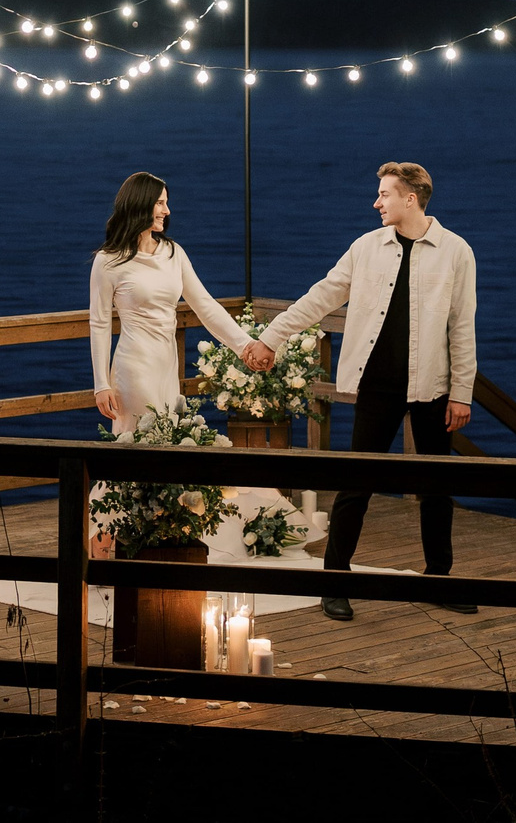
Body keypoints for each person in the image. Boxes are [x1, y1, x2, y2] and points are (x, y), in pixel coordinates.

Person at [246, 161, 477, 619]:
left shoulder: (456, 252)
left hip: (433, 388)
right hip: (376, 386)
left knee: (437, 488)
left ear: (410, 198)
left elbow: (462, 325)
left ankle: (438, 578)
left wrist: (462, 392)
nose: (376, 203)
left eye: (385, 194)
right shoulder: (365, 247)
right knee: (356, 487)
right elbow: (320, 297)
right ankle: (335, 582)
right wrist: (272, 336)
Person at [89, 171, 256, 439]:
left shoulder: (173, 253)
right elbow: (99, 323)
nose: (166, 211)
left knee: (168, 437)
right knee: (144, 439)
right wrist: (101, 384)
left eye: (166, 203)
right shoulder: (108, 260)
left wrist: (245, 345)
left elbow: (205, 305)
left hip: (167, 364)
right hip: (133, 366)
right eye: (159, 203)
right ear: (140, 204)